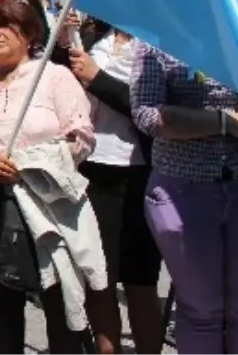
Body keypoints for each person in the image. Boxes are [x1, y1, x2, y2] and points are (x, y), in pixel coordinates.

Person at [0, 0, 97, 355]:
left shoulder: (54, 77)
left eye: (5, 25)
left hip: (49, 211)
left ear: (29, 33)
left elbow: (83, 138)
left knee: (60, 306)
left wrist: (29, 163)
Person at [131, 44, 238, 353]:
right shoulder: (157, 42)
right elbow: (147, 113)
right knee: (201, 310)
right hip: (182, 189)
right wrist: (225, 122)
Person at [66, 19, 163, 355]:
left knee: (140, 281)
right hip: (92, 171)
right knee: (99, 281)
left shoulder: (155, 43)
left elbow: (151, 110)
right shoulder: (93, 37)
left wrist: (97, 78)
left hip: (139, 172)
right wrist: (65, 41)